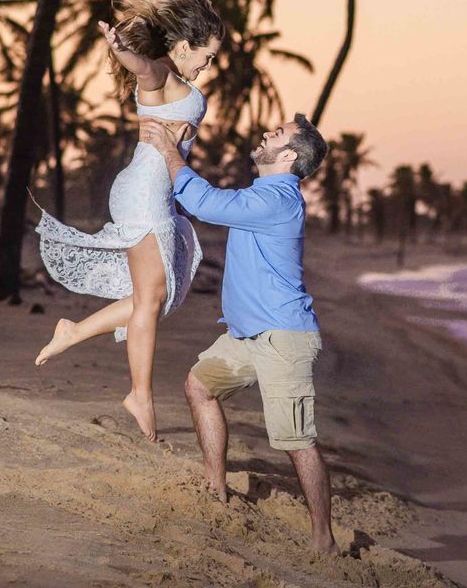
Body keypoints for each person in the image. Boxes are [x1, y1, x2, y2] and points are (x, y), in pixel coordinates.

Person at [33, 0, 223, 443]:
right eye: (207, 54)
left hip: (147, 189)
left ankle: (74, 333)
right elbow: (141, 67)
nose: (208, 64)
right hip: (143, 192)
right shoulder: (159, 71)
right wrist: (119, 49)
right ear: (184, 45)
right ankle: (139, 393)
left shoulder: (174, 77)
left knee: (153, 299)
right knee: (151, 300)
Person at [139, 113, 337, 554]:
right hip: (247, 334)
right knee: (199, 386)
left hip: (283, 338)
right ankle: (216, 487)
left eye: (278, 133)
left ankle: (323, 539)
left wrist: (169, 150)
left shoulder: (280, 200)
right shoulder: (262, 193)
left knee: (296, 441)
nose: (268, 132)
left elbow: (207, 203)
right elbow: (213, 198)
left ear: (287, 155)